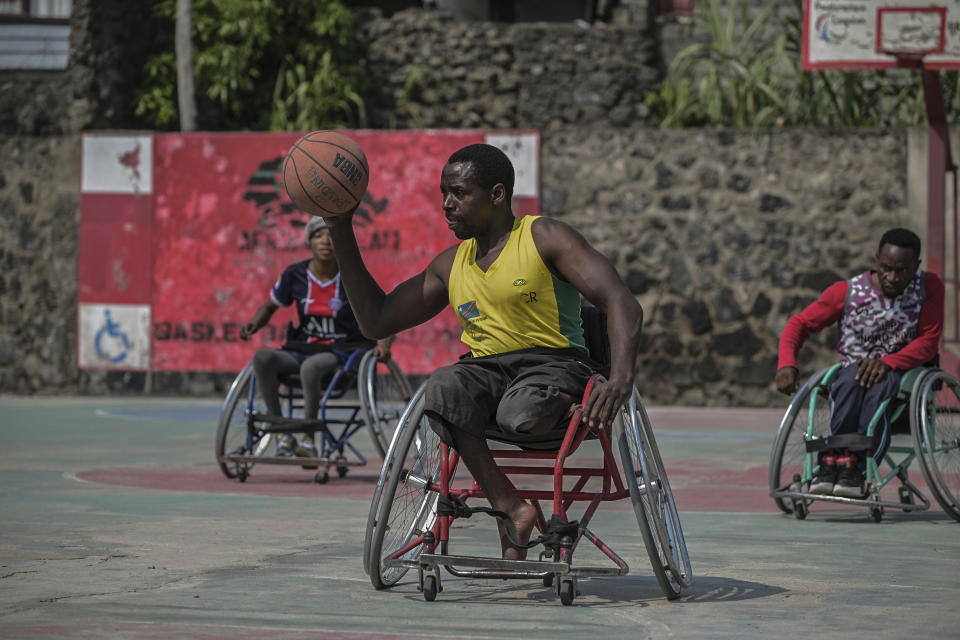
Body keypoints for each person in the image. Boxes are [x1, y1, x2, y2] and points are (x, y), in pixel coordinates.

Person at [323, 143, 643, 560]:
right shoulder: (451, 264)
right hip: (487, 372)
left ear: (496, 195)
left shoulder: (543, 237)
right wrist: (340, 227)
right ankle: (512, 509)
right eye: (443, 193)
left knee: (518, 413)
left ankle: (543, 425)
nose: (446, 204)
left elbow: (621, 302)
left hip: (554, 364)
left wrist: (620, 378)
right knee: (441, 387)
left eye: (458, 192)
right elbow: (377, 321)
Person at [775, 228, 944, 498]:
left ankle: (857, 466)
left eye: (902, 270)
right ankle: (832, 462)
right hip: (852, 370)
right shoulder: (849, 291)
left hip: (898, 371)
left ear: (916, 266)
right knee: (848, 380)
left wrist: (889, 362)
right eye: (886, 268)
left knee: (877, 385)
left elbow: (928, 340)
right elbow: (799, 324)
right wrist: (787, 363)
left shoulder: (929, 286)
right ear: (877, 259)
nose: (892, 277)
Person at [240, 216, 394, 458]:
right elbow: (269, 307)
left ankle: (309, 439)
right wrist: (254, 324)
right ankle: (282, 433)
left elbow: (384, 312)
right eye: (318, 235)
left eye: (331, 235)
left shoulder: (353, 277)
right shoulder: (295, 274)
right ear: (309, 242)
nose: (326, 241)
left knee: (312, 367)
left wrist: (384, 346)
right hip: (304, 348)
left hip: (343, 352)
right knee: (262, 358)